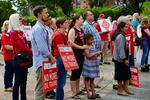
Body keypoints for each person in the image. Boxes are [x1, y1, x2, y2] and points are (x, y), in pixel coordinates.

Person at [31, 5, 56, 100]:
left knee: (43, 88)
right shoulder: (38, 28)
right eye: (45, 12)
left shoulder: (42, 27)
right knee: (40, 88)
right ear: (39, 14)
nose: (48, 14)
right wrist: (51, 57)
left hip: (44, 61)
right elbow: (42, 48)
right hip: (41, 62)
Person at [8, 13, 32, 100]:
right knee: (18, 82)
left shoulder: (20, 32)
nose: (21, 20)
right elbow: (21, 47)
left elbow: (25, 44)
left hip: (23, 58)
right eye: (19, 18)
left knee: (24, 82)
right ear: (15, 20)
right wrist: (32, 51)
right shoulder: (13, 33)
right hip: (18, 59)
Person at [112, 22, 134, 96]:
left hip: (122, 58)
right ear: (121, 28)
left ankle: (126, 89)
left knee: (126, 75)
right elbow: (120, 49)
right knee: (120, 75)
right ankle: (120, 90)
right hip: (120, 59)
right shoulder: (120, 36)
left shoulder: (122, 35)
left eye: (127, 27)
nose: (127, 28)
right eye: (125, 27)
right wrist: (124, 59)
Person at [68, 14, 86, 99]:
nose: (82, 20)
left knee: (78, 73)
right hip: (75, 54)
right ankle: (73, 93)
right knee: (74, 74)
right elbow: (71, 44)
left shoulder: (81, 30)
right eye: (81, 19)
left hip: (81, 54)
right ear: (76, 20)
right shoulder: (72, 30)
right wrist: (81, 47)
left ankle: (77, 90)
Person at [82, 11, 102, 90]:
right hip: (90, 52)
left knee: (93, 70)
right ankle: (87, 86)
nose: (93, 15)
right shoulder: (86, 25)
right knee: (88, 71)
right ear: (86, 17)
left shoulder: (91, 25)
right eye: (91, 14)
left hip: (95, 51)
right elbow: (85, 39)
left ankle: (92, 84)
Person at [51, 18, 68, 100]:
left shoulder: (62, 34)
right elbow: (62, 48)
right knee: (60, 81)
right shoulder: (58, 35)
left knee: (62, 81)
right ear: (61, 25)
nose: (67, 23)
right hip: (60, 57)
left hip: (62, 57)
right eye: (65, 22)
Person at [82, 34, 102, 99]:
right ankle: (88, 93)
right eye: (91, 40)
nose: (92, 41)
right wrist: (96, 53)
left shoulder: (92, 45)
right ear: (86, 40)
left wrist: (98, 54)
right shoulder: (85, 46)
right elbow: (88, 56)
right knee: (87, 79)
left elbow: (94, 54)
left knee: (92, 79)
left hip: (93, 63)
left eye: (92, 39)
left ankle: (93, 92)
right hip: (88, 64)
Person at [44, 16, 56, 99]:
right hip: (47, 55)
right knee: (46, 74)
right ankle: (47, 92)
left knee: (51, 74)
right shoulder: (45, 29)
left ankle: (51, 90)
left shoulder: (50, 29)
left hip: (51, 53)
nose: (51, 21)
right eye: (50, 19)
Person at [1, 20, 14, 92]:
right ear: (6, 26)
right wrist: (16, 48)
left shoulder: (10, 34)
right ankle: (7, 86)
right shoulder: (4, 35)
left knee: (11, 71)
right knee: (8, 71)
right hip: (8, 56)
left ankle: (10, 85)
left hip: (12, 56)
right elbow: (6, 46)